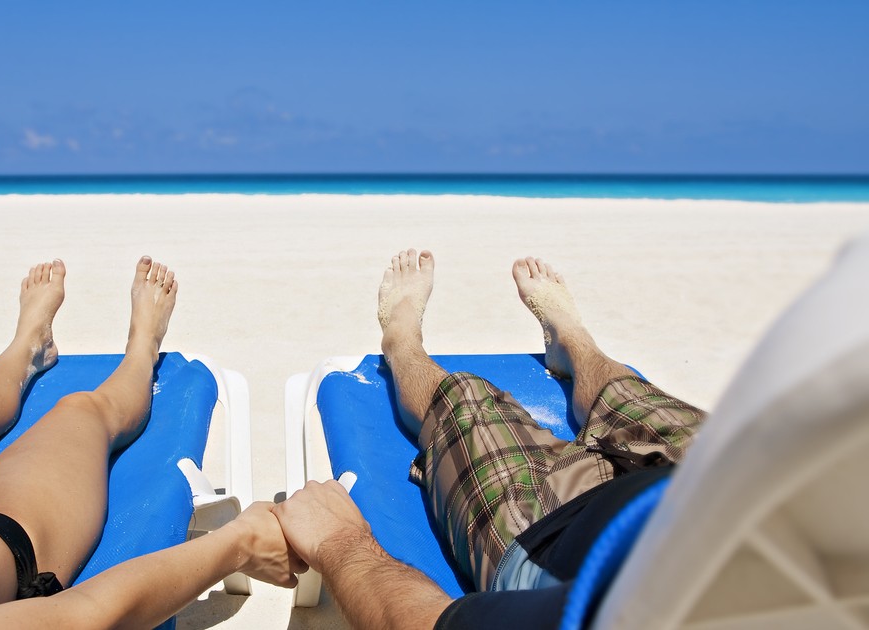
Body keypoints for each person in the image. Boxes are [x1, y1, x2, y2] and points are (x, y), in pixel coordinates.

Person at [0, 256, 302, 628]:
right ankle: (143, 349)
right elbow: (88, 614)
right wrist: (239, 543)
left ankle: (28, 347)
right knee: (83, 412)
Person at [272, 250, 706, 628]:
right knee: (627, 393)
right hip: (704, 476)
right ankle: (572, 339)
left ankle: (400, 338)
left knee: (462, 401)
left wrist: (341, 545)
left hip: (545, 539)